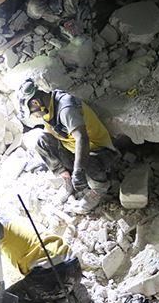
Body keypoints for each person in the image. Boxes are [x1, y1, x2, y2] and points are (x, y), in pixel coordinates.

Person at [17, 79, 118, 214]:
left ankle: (99, 189)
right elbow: (50, 135)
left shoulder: (66, 109)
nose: (35, 116)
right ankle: (67, 178)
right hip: (73, 149)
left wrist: (78, 170)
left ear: (36, 103)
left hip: (98, 150)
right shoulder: (48, 108)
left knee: (86, 161)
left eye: (32, 112)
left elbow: (82, 139)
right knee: (42, 142)